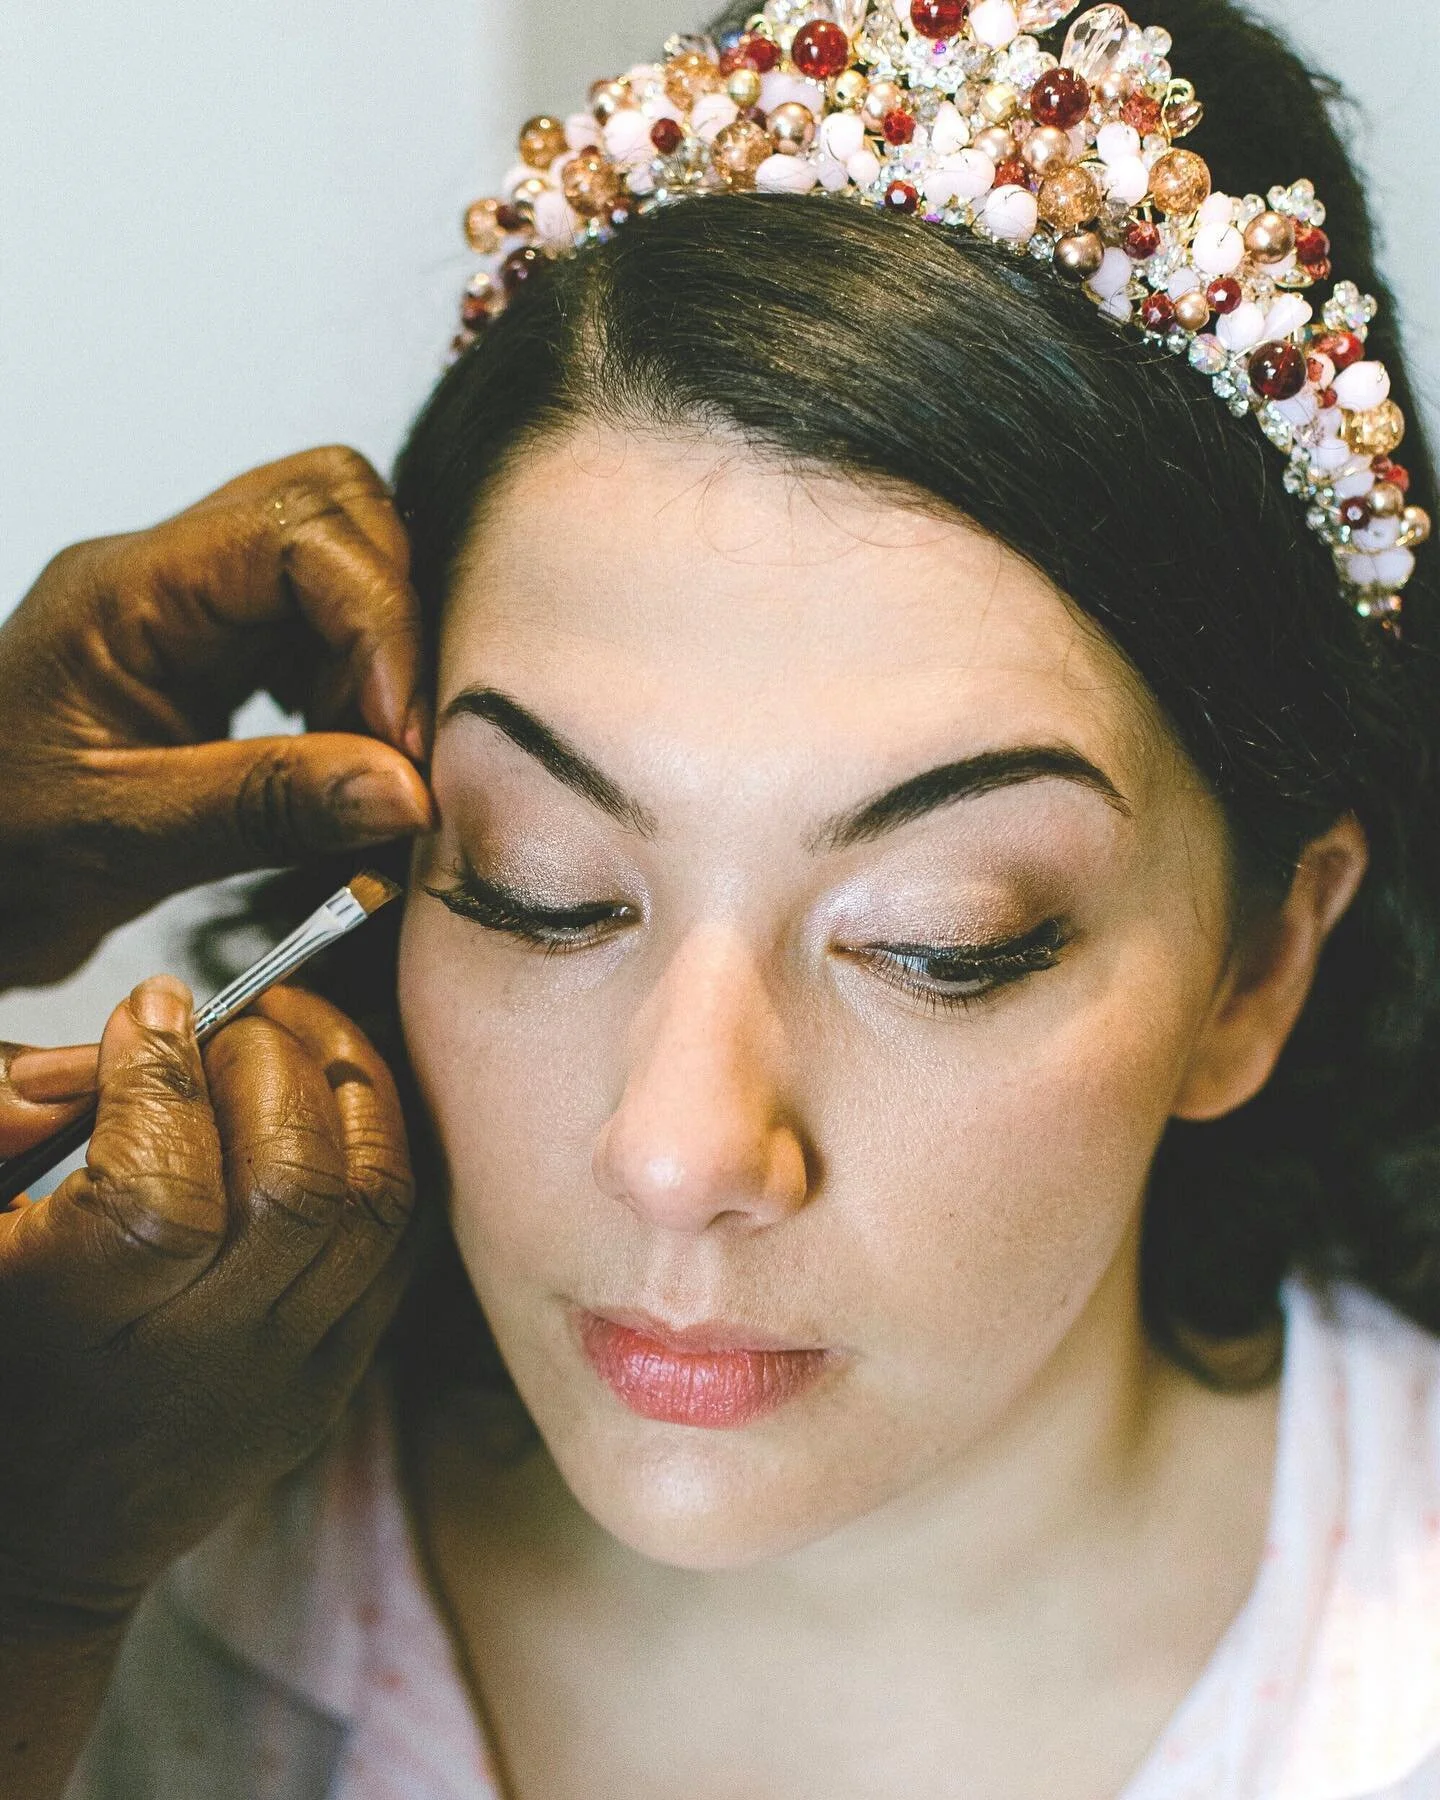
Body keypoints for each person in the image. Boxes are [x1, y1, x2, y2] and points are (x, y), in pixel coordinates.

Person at [11, 0, 1440, 1794]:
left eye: (941, 942)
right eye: (541, 892)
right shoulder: (123, 1565)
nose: (679, 1150)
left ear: (1259, 959)